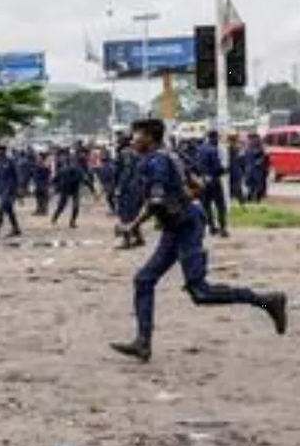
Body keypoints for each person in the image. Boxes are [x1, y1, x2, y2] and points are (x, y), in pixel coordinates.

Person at [111, 120, 287, 362]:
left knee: (200, 291)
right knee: (144, 279)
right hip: (178, 224)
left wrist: (132, 225)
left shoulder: (157, 161)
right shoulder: (170, 156)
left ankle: (268, 301)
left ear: (150, 136)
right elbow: (197, 185)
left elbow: (156, 201)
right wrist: (183, 199)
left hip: (186, 226)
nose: (133, 139)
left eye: (137, 135)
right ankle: (143, 342)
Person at [196, 131, 229, 237]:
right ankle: (223, 228)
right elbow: (217, 168)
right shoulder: (213, 150)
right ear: (214, 138)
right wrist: (224, 170)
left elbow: (197, 166)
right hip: (214, 181)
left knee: (206, 205)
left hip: (203, 181)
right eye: (217, 139)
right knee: (220, 205)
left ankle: (211, 227)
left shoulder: (200, 149)